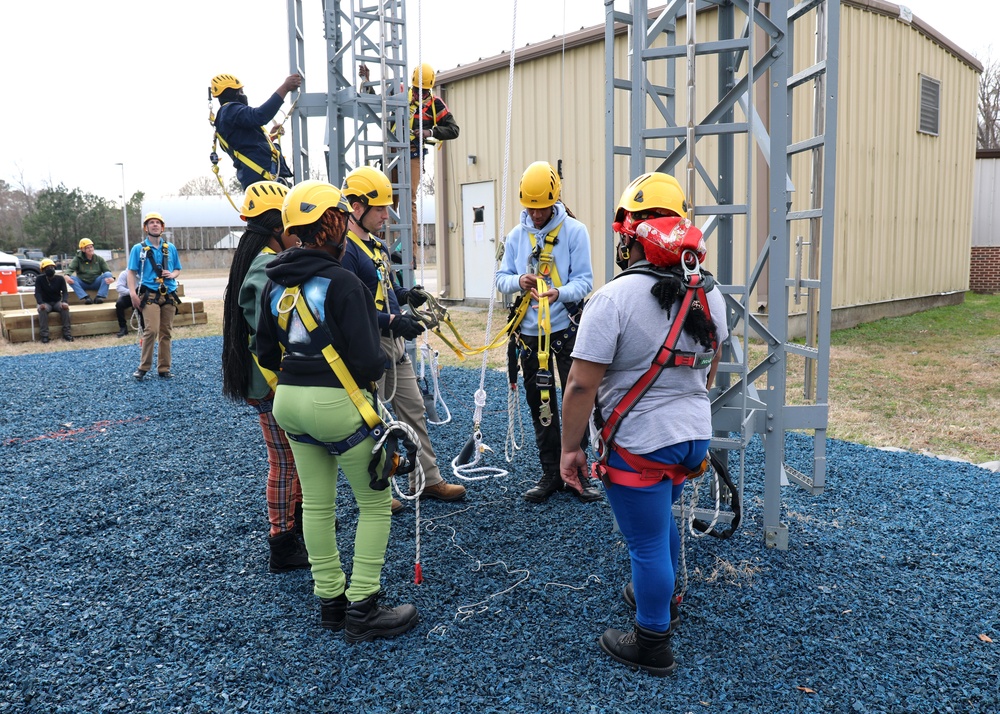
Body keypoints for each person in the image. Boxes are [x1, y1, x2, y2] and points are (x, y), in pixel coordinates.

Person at [558, 172, 729, 676]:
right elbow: (709, 369)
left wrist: (571, 450)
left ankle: (653, 639)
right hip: (692, 439)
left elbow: (580, 387)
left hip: (640, 444)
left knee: (647, 543)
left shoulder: (612, 300)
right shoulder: (710, 295)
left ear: (629, 234)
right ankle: (664, 590)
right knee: (660, 525)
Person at [256, 180, 418, 641]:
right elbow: (369, 361)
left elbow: (266, 353)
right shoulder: (343, 282)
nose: (346, 226)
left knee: (319, 506)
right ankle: (363, 608)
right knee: (373, 504)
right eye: (341, 218)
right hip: (337, 404)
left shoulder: (274, 281)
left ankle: (331, 603)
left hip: (289, 402)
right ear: (330, 224)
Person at [340, 166, 466, 510]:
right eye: (379, 208)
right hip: (368, 346)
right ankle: (376, 494)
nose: (386, 215)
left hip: (393, 347)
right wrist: (394, 321)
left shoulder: (375, 247)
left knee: (413, 411)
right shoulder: (345, 253)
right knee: (369, 422)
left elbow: (383, 290)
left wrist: (405, 294)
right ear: (356, 207)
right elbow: (350, 310)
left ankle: (427, 480)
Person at [496, 161, 601, 503]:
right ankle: (551, 473)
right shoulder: (516, 236)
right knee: (541, 404)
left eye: (541, 208)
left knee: (577, 402)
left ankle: (578, 473)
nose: (536, 215)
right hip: (529, 335)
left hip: (566, 330)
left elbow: (585, 281)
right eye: (531, 208)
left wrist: (558, 292)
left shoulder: (574, 231)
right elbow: (501, 278)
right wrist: (519, 282)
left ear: (554, 200)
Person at [221, 181, 308, 574]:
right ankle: (282, 541)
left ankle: (298, 528)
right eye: (293, 225)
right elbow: (265, 333)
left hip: (271, 382)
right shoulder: (264, 265)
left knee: (296, 458)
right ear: (278, 227)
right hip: (273, 383)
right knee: (287, 461)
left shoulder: (257, 258)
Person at [211, 73, 302, 190]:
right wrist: (285, 88)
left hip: (259, 179)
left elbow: (246, 144)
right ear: (234, 93)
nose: (244, 95)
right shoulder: (230, 110)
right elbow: (260, 115)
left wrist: (271, 137)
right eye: (241, 92)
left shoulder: (226, 118)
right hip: (263, 180)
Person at [405, 63, 459, 259]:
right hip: (392, 154)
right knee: (386, 201)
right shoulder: (401, 95)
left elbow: (454, 130)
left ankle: (410, 252)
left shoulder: (435, 105)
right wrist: (366, 82)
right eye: (417, 90)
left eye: (423, 91)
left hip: (413, 154)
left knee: (408, 199)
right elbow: (376, 102)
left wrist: (430, 132)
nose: (419, 94)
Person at [127, 212, 182, 380]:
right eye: (151, 222)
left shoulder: (170, 248)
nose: (155, 225)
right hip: (149, 293)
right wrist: (132, 293)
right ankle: (143, 367)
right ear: (146, 227)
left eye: (158, 222)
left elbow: (178, 269)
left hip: (169, 293)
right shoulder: (139, 249)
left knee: (166, 332)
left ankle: (164, 368)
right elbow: (131, 272)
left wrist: (173, 274)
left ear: (162, 227)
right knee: (151, 330)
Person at [34, 258, 72, 344]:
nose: (50, 269)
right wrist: (40, 303)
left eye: (52, 267)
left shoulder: (60, 278)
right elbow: (37, 293)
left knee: (65, 308)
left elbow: (65, 292)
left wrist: (65, 301)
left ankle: (67, 333)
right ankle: (44, 335)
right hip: (45, 302)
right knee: (42, 310)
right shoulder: (39, 279)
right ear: (43, 270)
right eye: (47, 268)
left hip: (57, 302)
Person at [64, 239, 114, 304]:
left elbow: (107, 271)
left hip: (96, 282)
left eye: (91, 247)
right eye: (87, 248)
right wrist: (66, 276)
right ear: (82, 249)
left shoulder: (99, 259)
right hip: (82, 283)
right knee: (71, 278)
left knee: (108, 274)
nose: (90, 249)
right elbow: (69, 270)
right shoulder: (77, 259)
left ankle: (99, 297)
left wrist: (112, 278)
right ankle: (85, 297)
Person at [113, 268, 142, 338]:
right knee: (119, 304)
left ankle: (143, 326)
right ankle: (123, 328)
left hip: (140, 295)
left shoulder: (143, 273)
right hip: (127, 296)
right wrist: (132, 292)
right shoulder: (124, 274)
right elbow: (119, 288)